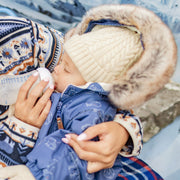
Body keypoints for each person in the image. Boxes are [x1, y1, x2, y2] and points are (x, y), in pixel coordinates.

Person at [0, 4, 177, 180]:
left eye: (65, 67)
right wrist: (21, 129)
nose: (56, 70)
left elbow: (74, 147)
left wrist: (122, 130)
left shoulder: (23, 40)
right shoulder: (73, 85)